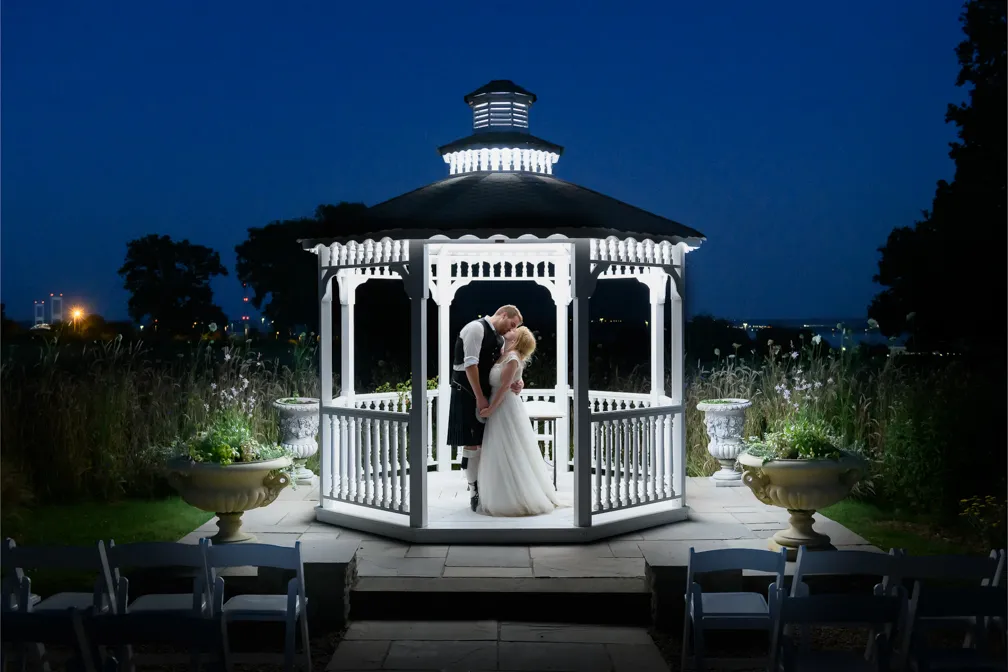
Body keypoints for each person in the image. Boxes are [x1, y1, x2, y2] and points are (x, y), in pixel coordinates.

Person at [477, 326, 563, 517]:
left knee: (509, 448)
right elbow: (514, 381)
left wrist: (491, 409)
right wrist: (520, 383)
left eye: (516, 329)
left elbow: (505, 387)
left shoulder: (513, 357)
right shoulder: (503, 353)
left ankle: (515, 497)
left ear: (518, 339)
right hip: (501, 403)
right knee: (498, 449)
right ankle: (501, 493)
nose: (511, 329)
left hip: (504, 406)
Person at [447, 305, 524, 512]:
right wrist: (480, 397)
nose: (511, 330)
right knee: (472, 445)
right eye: (512, 324)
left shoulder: (499, 339)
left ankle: (485, 488)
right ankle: (474, 491)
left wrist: (518, 381)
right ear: (503, 314)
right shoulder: (475, 328)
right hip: (466, 392)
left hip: (484, 394)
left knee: (485, 443)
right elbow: (470, 364)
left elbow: (501, 366)